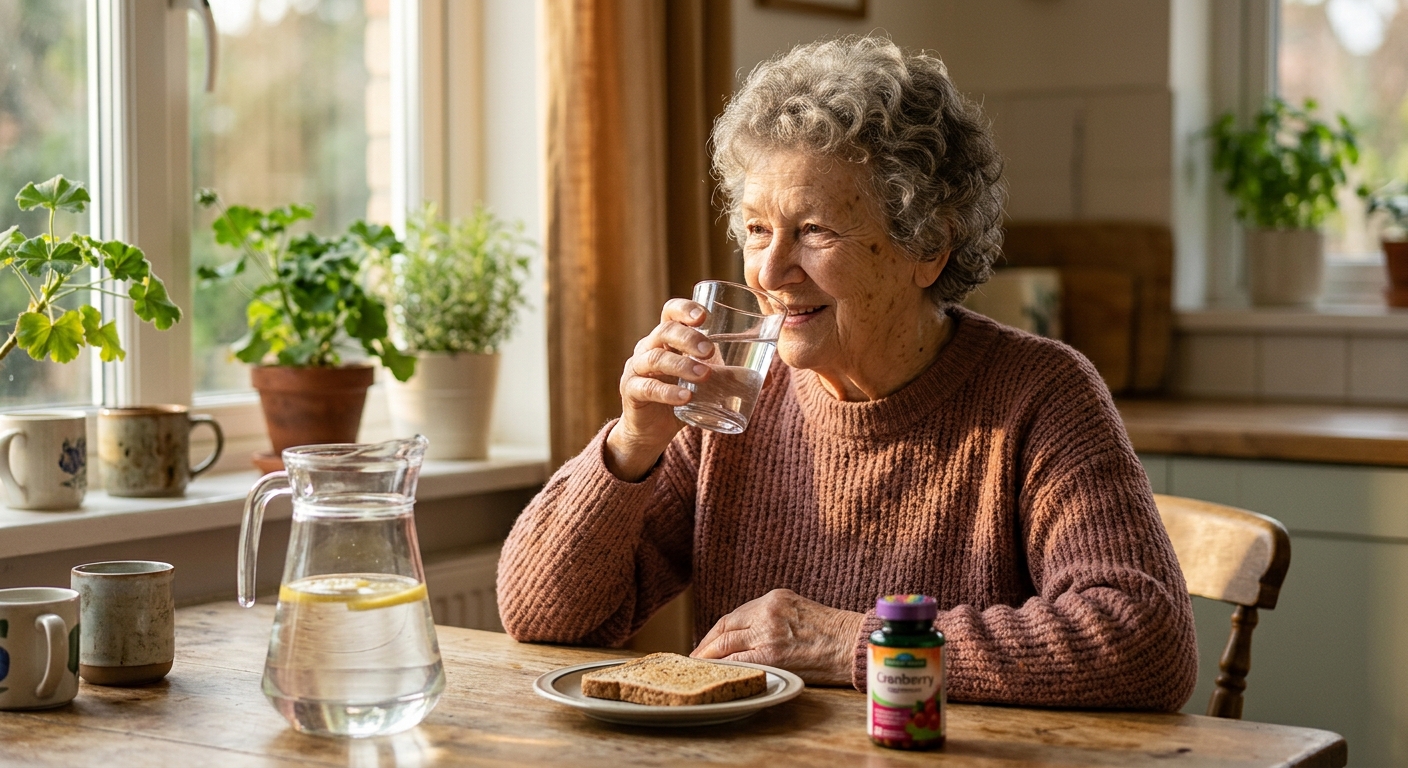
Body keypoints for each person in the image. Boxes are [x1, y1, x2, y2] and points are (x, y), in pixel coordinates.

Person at [498, 36, 1197, 710]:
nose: (771, 272)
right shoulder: (734, 400)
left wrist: (850, 644)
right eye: (757, 230)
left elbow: (1146, 642)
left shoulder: (1040, 394)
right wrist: (632, 444)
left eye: (814, 231)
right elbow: (541, 617)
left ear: (927, 246)